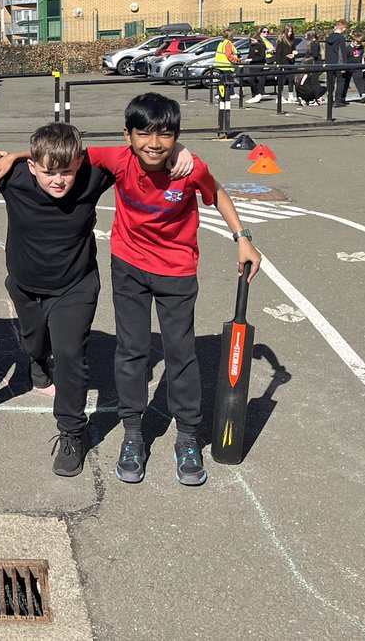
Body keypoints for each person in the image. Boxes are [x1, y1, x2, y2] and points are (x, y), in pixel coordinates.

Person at [0, 124, 193, 478]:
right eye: (49, 172)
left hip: (75, 286)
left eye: (67, 170)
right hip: (25, 285)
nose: (59, 180)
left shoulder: (92, 176)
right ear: (33, 167)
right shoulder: (12, 176)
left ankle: (71, 432)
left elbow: (137, 154)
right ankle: (36, 357)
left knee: (70, 356)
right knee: (35, 343)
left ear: (79, 163)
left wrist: (179, 148)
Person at [86, 93, 261, 487]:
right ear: (127, 135)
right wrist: (9, 157)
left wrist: (242, 237)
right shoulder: (117, 159)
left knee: (181, 354)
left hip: (177, 271)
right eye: (144, 132)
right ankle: (133, 431)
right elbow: (62, 151)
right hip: (128, 265)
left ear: (177, 136)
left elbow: (216, 194)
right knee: (132, 349)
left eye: (166, 134)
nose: (154, 142)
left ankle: (187, 436)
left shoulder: (190, 167)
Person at [326, 19, 354, 107]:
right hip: (338, 63)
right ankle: (338, 101)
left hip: (329, 63)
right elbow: (342, 52)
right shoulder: (341, 38)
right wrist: (343, 65)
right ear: (344, 28)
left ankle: (330, 100)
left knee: (330, 83)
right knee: (341, 82)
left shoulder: (329, 37)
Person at [212, 29, 241, 104]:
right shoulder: (228, 43)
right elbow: (229, 55)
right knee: (229, 81)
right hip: (226, 65)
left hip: (220, 65)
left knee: (222, 81)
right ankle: (231, 93)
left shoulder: (222, 42)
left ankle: (219, 94)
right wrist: (237, 60)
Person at [245, 27, 271, 103]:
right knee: (251, 80)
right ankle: (254, 95)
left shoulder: (261, 46)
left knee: (252, 80)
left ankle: (257, 94)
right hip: (252, 65)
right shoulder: (252, 46)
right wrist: (248, 59)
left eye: (253, 40)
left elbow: (261, 57)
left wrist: (252, 59)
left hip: (258, 64)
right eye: (251, 40)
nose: (252, 42)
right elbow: (250, 55)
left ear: (257, 39)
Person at [274, 25, 298, 104]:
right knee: (282, 80)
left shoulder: (292, 40)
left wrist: (294, 53)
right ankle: (279, 96)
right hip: (283, 63)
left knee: (291, 79)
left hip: (291, 62)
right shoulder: (281, 41)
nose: (290, 33)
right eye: (289, 31)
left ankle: (290, 95)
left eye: (291, 31)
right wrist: (280, 63)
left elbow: (293, 49)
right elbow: (278, 54)